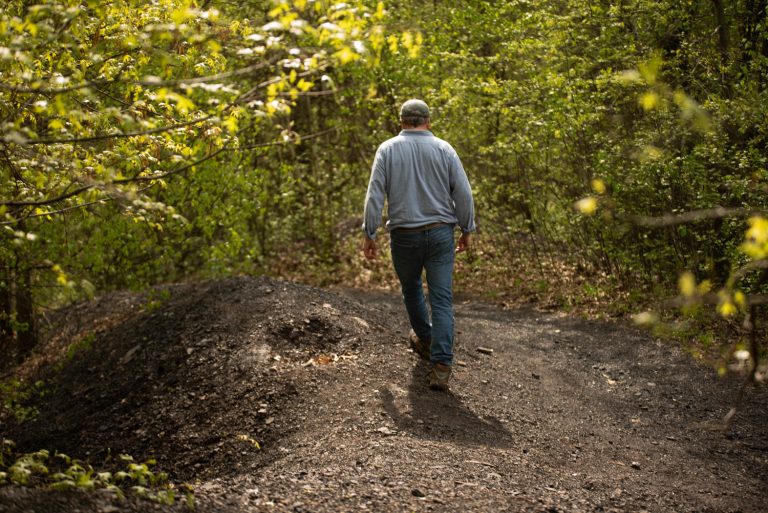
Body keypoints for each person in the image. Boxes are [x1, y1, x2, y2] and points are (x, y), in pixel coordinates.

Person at [361, 99, 476, 391]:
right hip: (440, 234)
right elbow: (463, 192)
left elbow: (375, 194)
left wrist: (369, 232)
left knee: (411, 287)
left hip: (405, 236)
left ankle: (425, 338)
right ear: (428, 121)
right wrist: (467, 228)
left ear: (401, 121)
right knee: (441, 298)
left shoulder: (387, 149)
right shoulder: (443, 149)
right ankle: (441, 365)